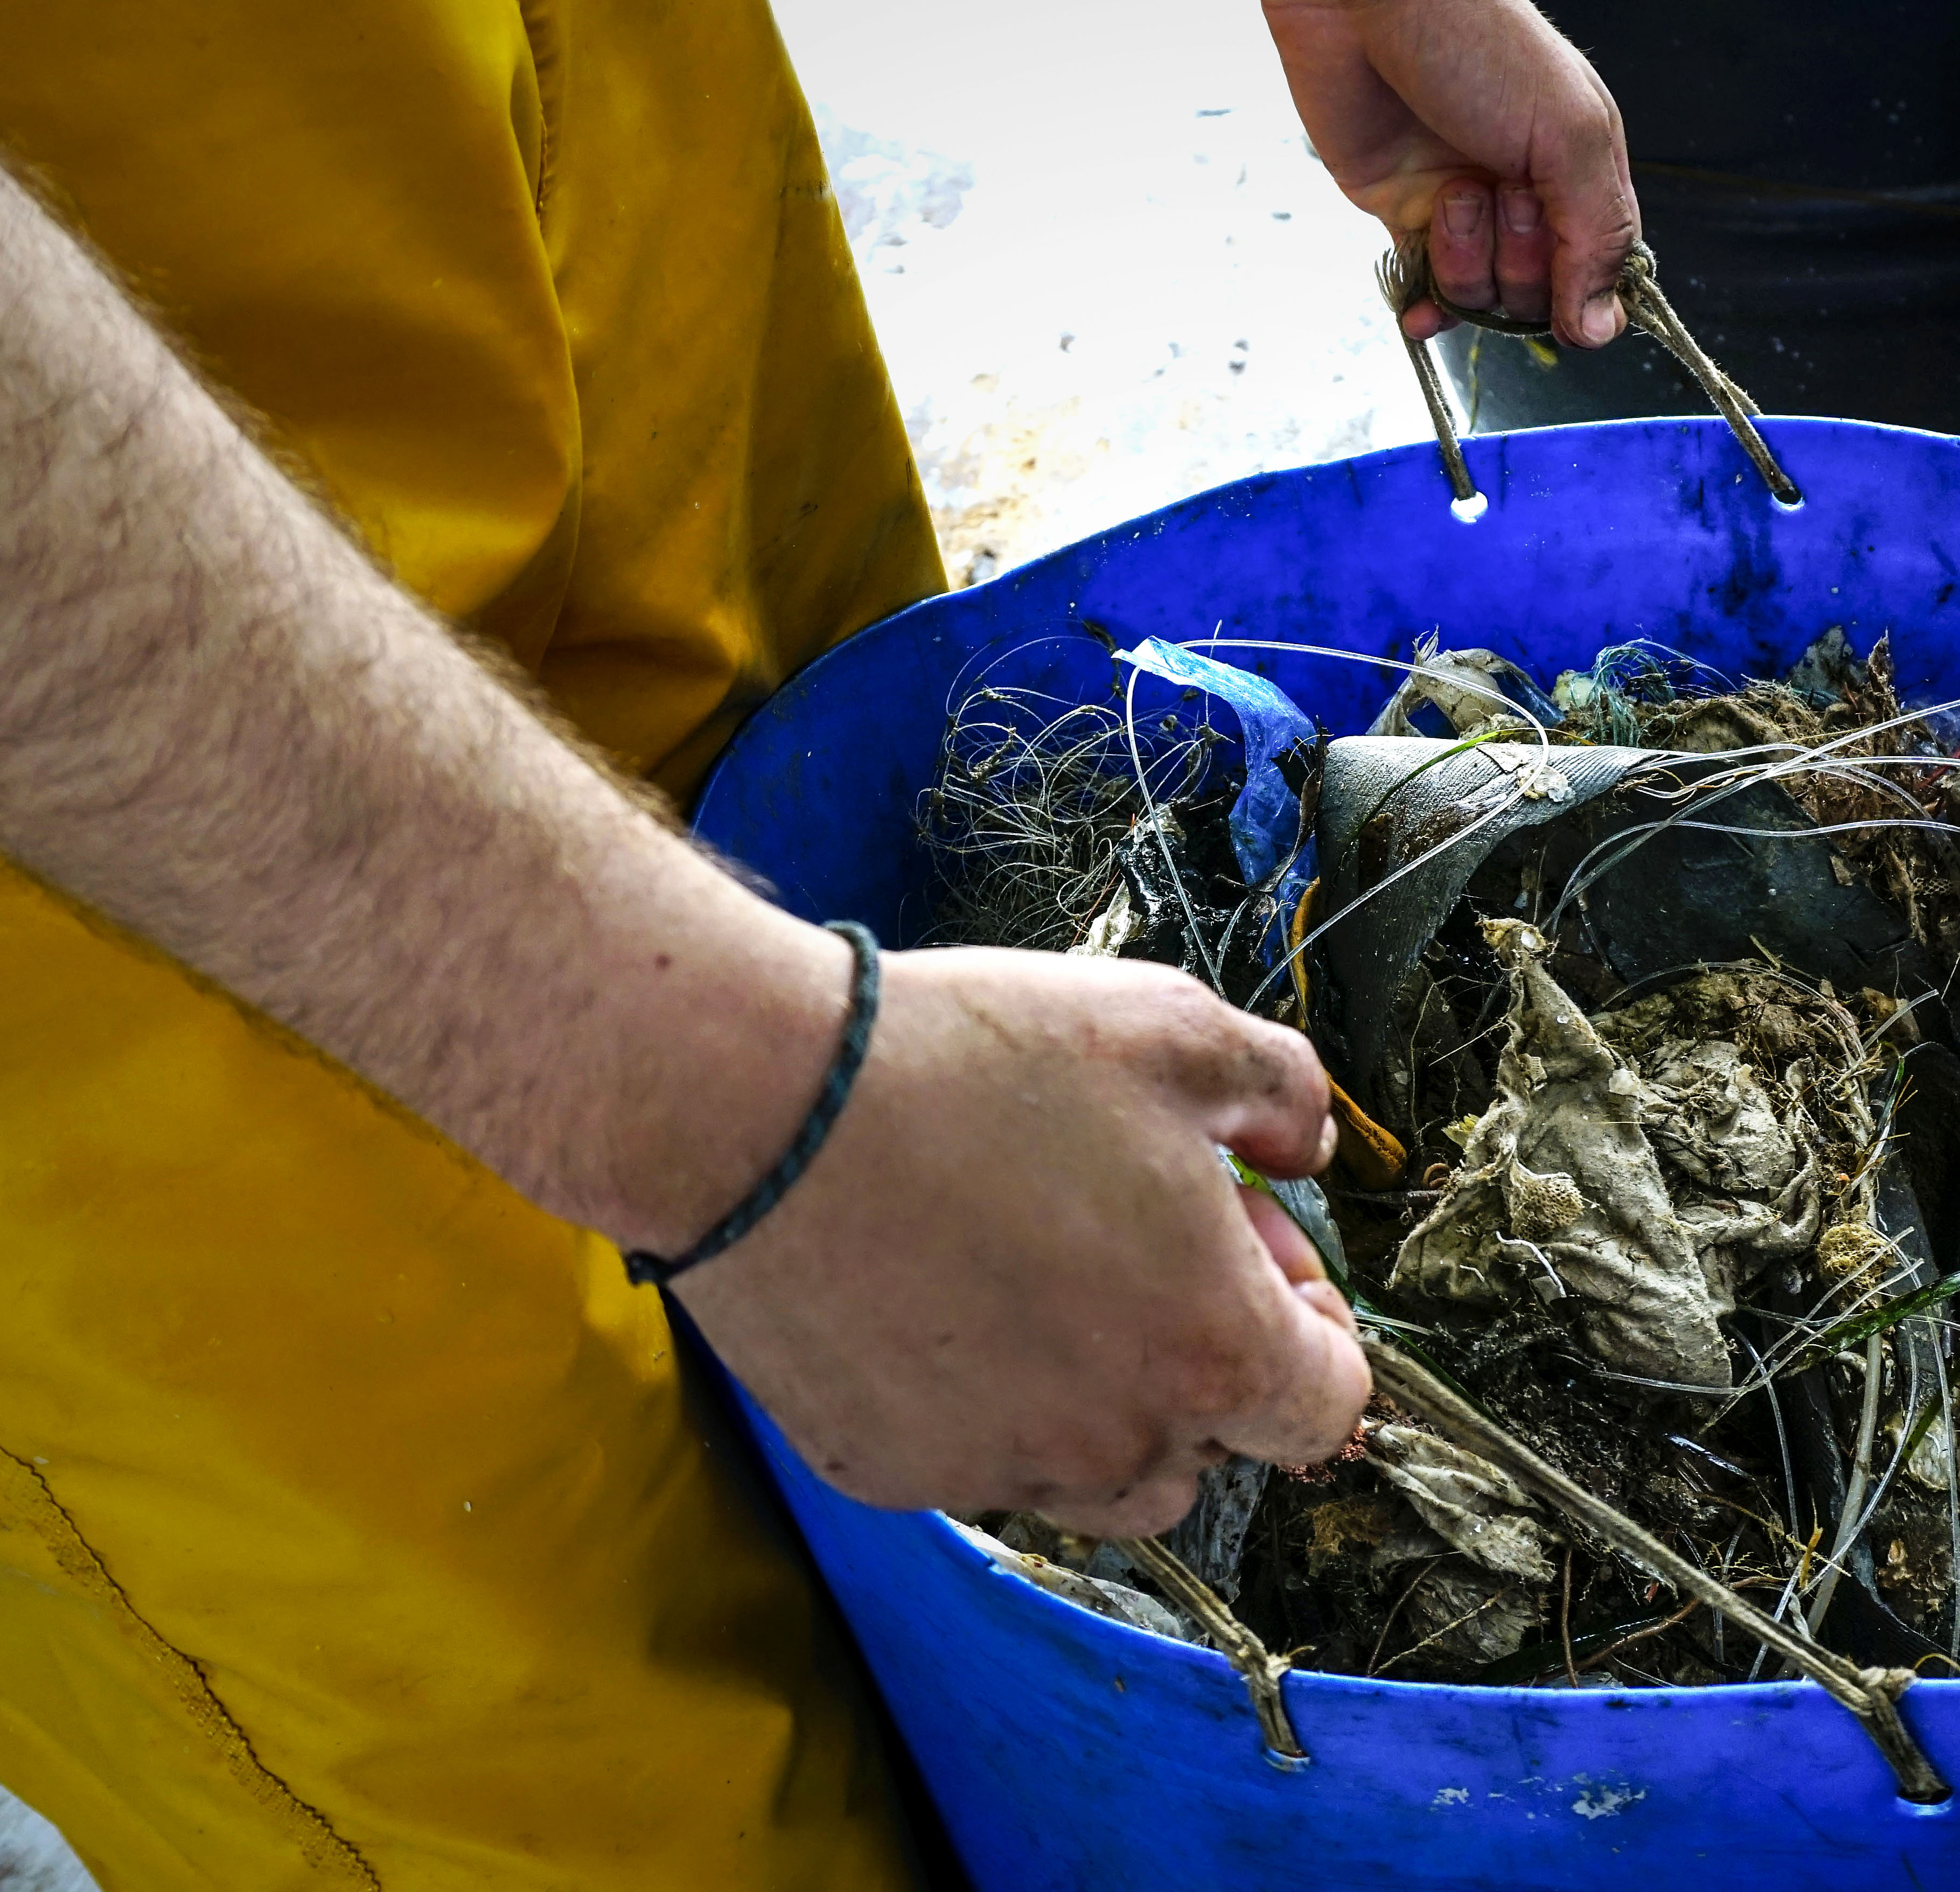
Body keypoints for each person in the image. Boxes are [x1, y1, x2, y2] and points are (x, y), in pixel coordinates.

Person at [0, 1, 1638, 1881]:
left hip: (529, 111)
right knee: (629, 1779)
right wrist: (748, 1108)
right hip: (110, 807)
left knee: (860, 886)